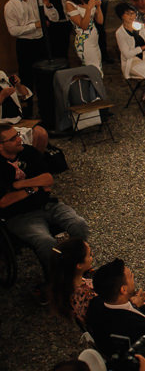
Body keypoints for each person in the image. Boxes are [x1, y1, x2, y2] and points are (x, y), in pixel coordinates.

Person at [0, 123, 88, 295]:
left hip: (48, 205)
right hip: (20, 216)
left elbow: (48, 179)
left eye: (17, 134)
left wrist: (20, 185)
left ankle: (79, 269)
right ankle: (56, 282)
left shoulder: (28, 152)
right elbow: (3, 201)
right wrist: (34, 188)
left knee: (79, 224)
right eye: (13, 138)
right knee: (46, 243)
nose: (20, 139)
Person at [5, 0, 59, 89]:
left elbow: (55, 18)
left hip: (41, 41)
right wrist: (35, 25)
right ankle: (28, 106)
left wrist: (48, 5)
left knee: (45, 77)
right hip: (25, 45)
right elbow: (13, 31)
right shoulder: (10, 6)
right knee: (27, 78)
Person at [50, 238, 96, 325]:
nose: (92, 255)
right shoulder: (87, 296)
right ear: (79, 265)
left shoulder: (63, 285)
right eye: (89, 255)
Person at [0, 70, 48, 152]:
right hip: (2, 125)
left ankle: (36, 161)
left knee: (41, 133)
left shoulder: (1, 75)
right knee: (15, 141)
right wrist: (2, 96)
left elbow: (25, 94)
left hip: (17, 121)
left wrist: (18, 85)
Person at [65, 0, 104, 75]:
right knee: (93, 71)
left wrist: (98, 7)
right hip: (84, 42)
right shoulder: (70, 4)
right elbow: (84, 26)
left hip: (94, 40)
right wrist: (89, 8)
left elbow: (100, 21)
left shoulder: (86, 0)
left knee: (98, 68)